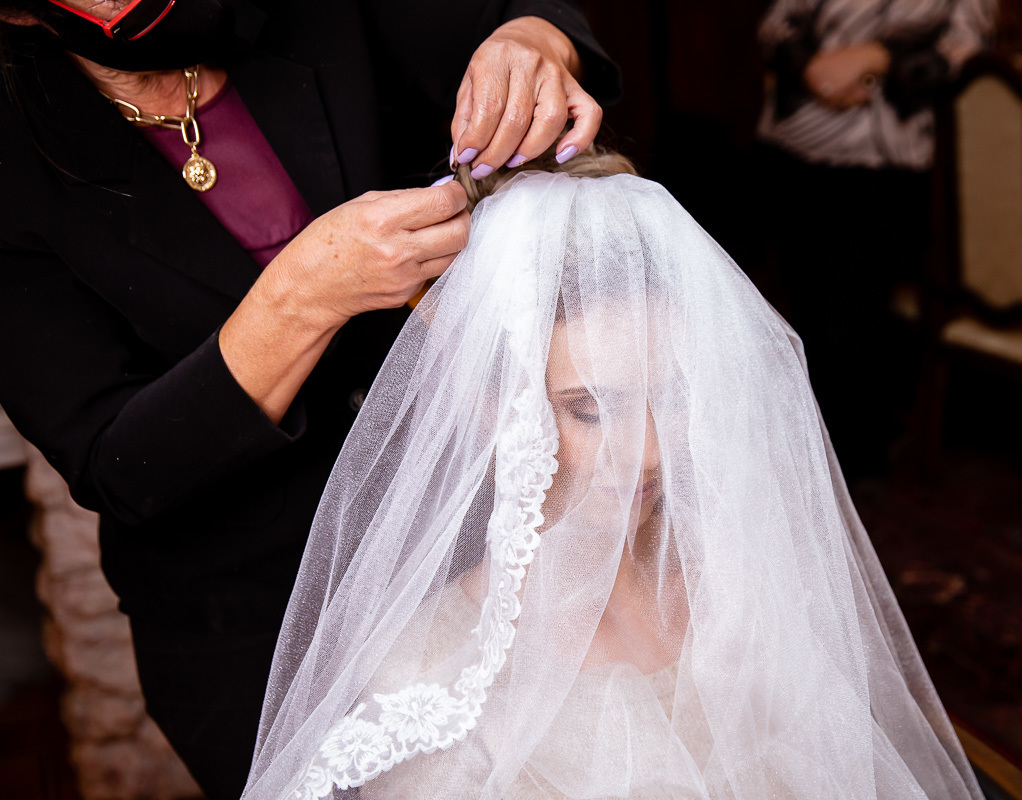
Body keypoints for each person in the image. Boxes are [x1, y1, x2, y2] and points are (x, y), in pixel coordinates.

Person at [0, 1, 618, 796]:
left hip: (477, 539)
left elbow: (517, 13)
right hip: (255, 624)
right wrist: (300, 296)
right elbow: (119, 465)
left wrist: (533, 40)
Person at [239, 154, 987, 799]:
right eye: (590, 410)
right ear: (491, 399)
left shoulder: (746, 580)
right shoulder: (425, 677)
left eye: (675, 396)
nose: (651, 451)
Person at [755, 0, 994, 479]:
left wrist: (878, 56)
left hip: (889, 160)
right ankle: (796, 455)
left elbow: (966, 47)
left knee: (857, 319)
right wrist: (815, 71)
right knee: (797, 313)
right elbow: (776, 25)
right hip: (796, 145)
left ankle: (848, 469)